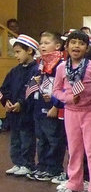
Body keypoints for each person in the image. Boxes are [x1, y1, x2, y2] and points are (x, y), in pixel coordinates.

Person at [52, 30, 91, 192]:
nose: (77, 46)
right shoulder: (61, 67)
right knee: (74, 150)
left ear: (87, 48)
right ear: (66, 46)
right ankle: (75, 183)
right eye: (73, 42)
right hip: (71, 113)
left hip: (90, 113)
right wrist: (68, 98)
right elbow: (56, 91)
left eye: (81, 43)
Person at [26, 31, 67, 182]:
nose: (42, 45)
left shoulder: (60, 65)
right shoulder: (40, 63)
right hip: (39, 106)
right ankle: (42, 166)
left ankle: (53, 168)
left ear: (57, 46)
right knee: (41, 138)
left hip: (52, 107)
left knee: (54, 139)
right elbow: (34, 83)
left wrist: (56, 105)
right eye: (41, 43)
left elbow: (64, 87)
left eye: (46, 43)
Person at [1, 34, 39, 176]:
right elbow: (5, 88)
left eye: (18, 52)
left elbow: (30, 89)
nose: (16, 55)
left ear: (29, 51)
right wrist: (7, 100)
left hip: (26, 113)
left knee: (27, 139)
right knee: (15, 139)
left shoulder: (35, 70)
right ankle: (17, 162)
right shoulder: (14, 71)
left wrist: (21, 103)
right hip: (13, 113)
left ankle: (27, 164)